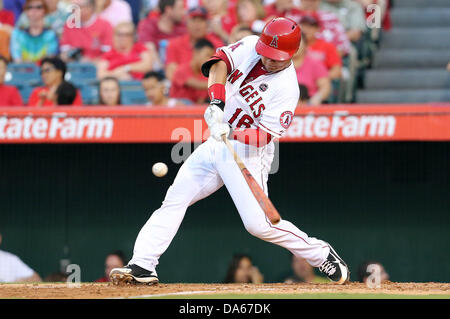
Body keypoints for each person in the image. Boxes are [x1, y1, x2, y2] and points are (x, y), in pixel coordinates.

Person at [109, 17, 350, 286]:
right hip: (216, 140)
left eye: (276, 57)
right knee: (175, 199)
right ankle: (143, 264)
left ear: (292, 54)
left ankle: (320, 253)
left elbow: (264, 136)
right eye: (267, 53)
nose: (269, 60)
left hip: (247, 151)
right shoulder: (250, 47)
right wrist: (216, 103)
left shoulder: (288, 89)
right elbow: (218, 63)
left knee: (259, 226)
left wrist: (233, 133)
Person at [164, 6, 224, 81]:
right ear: (186, 23)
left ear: (207, 24)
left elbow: (221, 73)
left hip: (208, 91)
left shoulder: (217, 44)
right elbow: (171, 74)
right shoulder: (174, 44)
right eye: (193, 20)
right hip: (184, 91)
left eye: (201, 20)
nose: (197, 25)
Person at [169, 38, 214, 104]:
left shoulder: (206, 75)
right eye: (207, 55)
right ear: (196, 53)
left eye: (211, 57)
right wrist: (218, 84)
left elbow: (200, 100)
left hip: (193, 109)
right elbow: (196, 84)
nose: (209, 60)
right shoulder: (182, 70)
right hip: (176, 109)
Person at [300, 14, 342, 80]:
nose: (306, 29)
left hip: (320, 83)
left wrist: (320, 79)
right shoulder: (294, 45)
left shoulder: (327, 46)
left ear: (318, 29)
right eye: (304, 25)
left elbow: (337, 70)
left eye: (311, 26)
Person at [292, 35, 331, 105]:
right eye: (291, 43)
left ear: (305, 45)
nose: (294, 46)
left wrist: (316, 99)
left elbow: (325, 87)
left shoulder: (315, 64)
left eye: (298, 43)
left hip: (308, 106)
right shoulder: (278, 65)